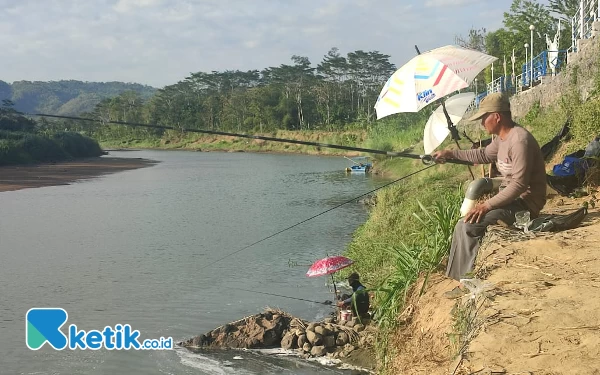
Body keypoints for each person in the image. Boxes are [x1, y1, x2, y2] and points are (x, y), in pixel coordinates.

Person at [432, 93, 547, 285]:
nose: (482, 123)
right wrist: (451, 153)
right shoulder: (501, 139)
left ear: (497, 116)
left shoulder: (519, 141)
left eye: (484, 118)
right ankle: (458, 280)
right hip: (510, 200)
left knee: (468, 226)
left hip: (525, 205)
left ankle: (468, 282)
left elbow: (519, 185)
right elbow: (483, 154)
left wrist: (486, 206)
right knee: (462, 224)